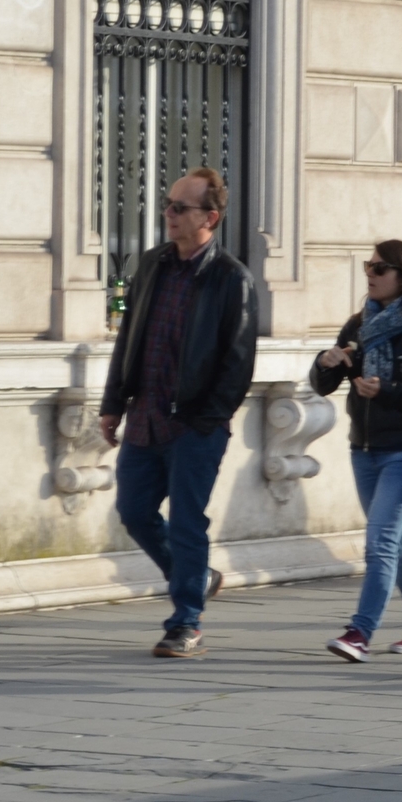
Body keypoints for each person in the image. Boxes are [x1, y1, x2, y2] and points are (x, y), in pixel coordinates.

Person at [98, 167, 258, 658]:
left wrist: (207, 417)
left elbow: (237, 361)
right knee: (134, 511)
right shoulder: (152, 265)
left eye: (179, 208)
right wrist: (112, 403)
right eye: (167, 205)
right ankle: (196, 577)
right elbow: (130, 337)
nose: (168, 214)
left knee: (188, 522)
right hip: (146, 414)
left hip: (194, 425)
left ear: (209, 218)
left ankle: (185, 621)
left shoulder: (232, 278)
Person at [312, 241, 402, 662]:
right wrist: (326, 362)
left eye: (380, 267)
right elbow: (324, 385)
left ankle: (360, 632)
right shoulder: (359, 325)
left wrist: (388, 390)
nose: (371, 274)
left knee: (380, 542)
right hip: (364, 450)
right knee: (398, 543)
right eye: (368, 267)